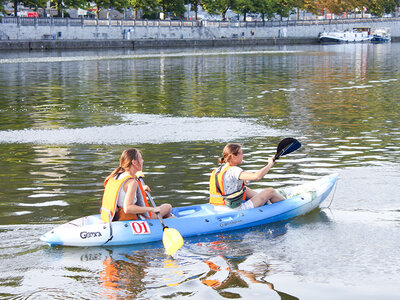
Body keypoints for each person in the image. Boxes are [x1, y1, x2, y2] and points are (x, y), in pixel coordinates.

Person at [100, 148, 172, 222]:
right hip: (126, 220)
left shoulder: (115, 176)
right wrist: (151, 209)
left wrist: (141, 190)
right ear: (134, 162)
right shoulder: (132, 182)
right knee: (167, 207)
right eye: (140, 159)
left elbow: (122, 195)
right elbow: (127, 208)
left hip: (111, 218)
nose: (142, 161)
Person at [209, 143, 284, 210]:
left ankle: (266, 201)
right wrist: (270, 164)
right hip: (234, 209)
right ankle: (286, 204)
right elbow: (256, 176)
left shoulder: (219, 169)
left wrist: (241, 181)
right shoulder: (234, 170)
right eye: (241, 153)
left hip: (218, 208)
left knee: (245, 189)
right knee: (270, 191)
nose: (243, 155)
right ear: (233, 156)